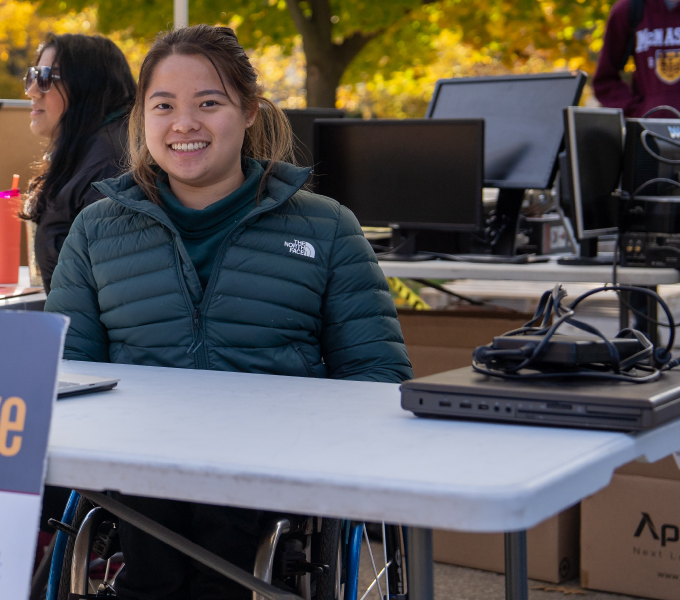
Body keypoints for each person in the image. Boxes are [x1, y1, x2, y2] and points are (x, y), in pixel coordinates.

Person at [44, 25, 412, 599]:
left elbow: (376, 377)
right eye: (163, 106)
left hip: (273, 467)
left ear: (249, 113)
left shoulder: (326, 228)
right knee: (156, 536)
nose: (184, 123)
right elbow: (68, 372)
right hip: (141, 467)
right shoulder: (96, 230)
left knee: (221, 538)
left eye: (208, 103)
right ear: (143, 119)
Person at [593, 0, 680, 359]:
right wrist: (640, 111)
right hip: (647, 145)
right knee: (641, 237)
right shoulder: (629, 11)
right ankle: (641, 338)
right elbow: (604, 79)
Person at [22, 33, 137, 293]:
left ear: (87, 85)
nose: (31, 90)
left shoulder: (110, 166)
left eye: (46, 78)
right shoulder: (89, 150)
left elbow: (111, 288)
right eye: (32, 76)